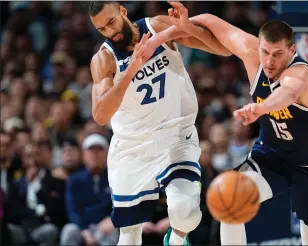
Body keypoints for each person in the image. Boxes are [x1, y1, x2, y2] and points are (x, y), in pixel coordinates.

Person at [160, 2, 308, 245]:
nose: (269, 61)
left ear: (292, 51)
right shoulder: (251, 52)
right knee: (229, 202)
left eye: (277, 54)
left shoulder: (301, 76)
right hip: (273, 155)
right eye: (265, 52)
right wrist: (184, 26)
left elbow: (287, 94)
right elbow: (210, 20)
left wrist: (261, 107)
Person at [87, 1, 231, 245]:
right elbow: (100, 115)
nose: (110, 32)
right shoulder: (104, 59)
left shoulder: (158, 27)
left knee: (186, 213)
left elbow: (224, 50)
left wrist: (188, 27)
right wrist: (131, 71)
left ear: (123, 11)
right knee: (130, 234)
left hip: (176, 135)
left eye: (111, 22)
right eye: (102, 29)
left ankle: (175, 239)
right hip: (133, 147)